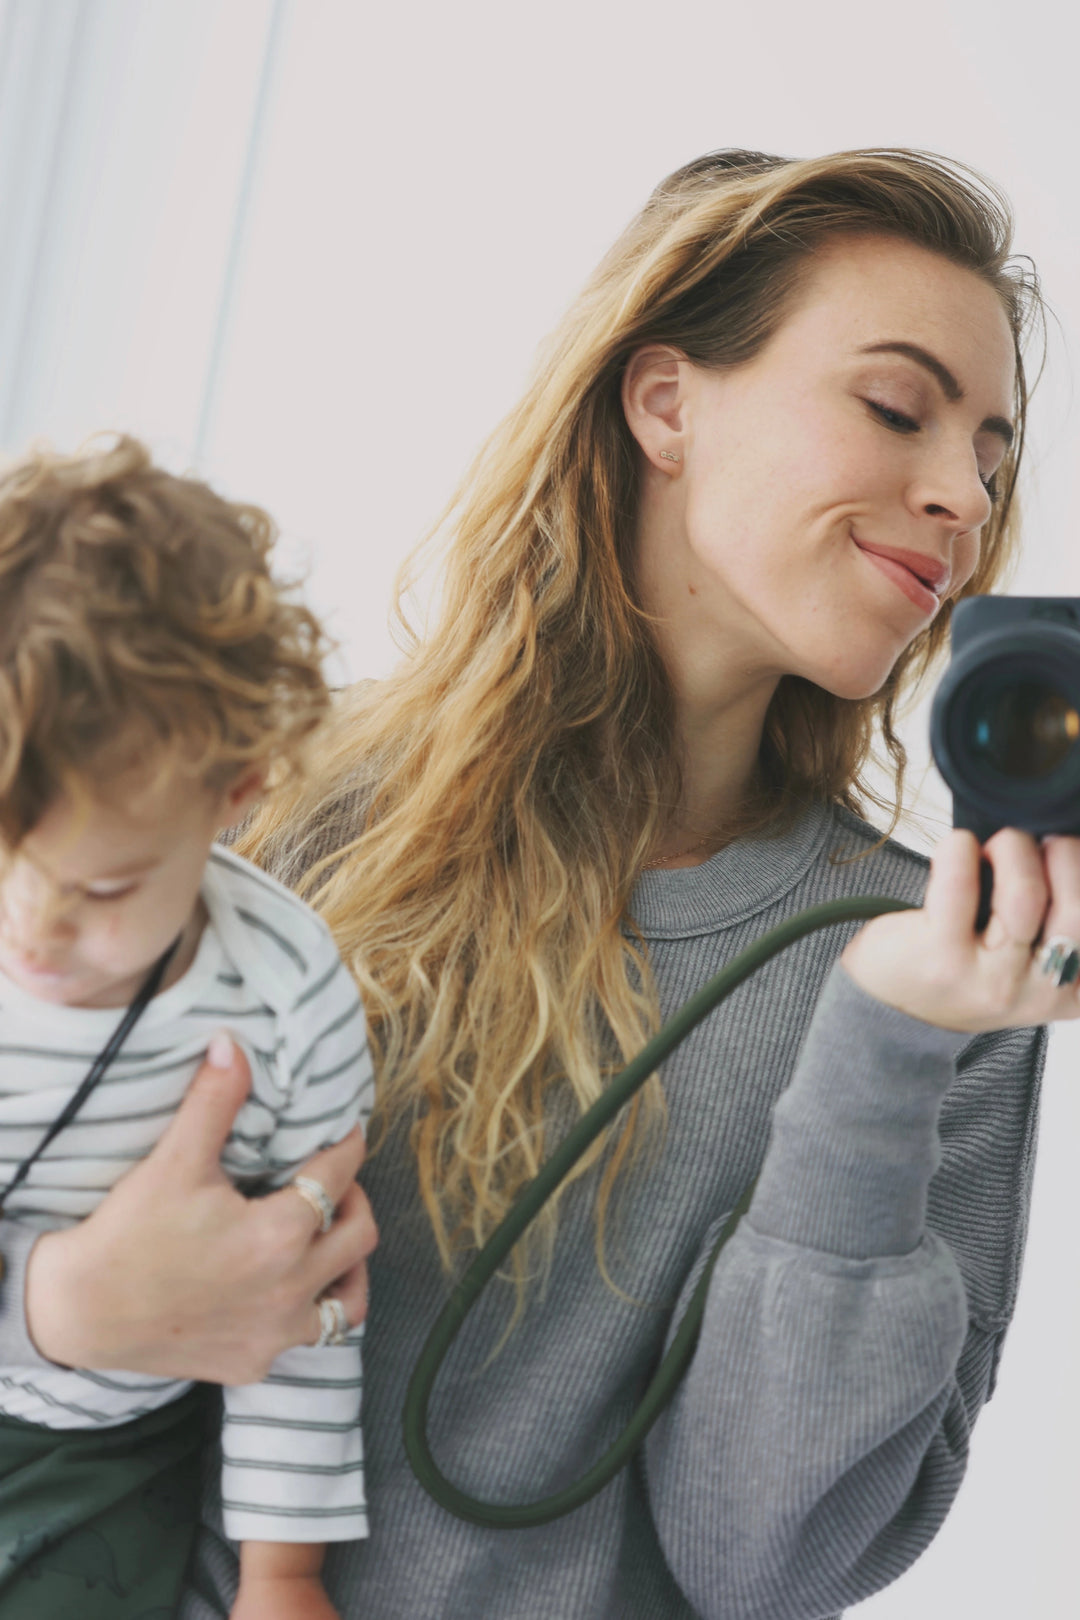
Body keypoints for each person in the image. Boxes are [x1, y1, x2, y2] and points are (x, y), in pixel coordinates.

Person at [1, 147, 1075, 1620]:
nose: (963, 494)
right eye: (897, 408)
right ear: (665, 404)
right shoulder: (283, 806)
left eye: (994, 457)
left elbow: (769, 1563)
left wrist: (887, 1047)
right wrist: (60, 1313)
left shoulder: (944, 968)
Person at [0, 438, 375, 1620]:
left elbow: (301, 1293)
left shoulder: (289, 997)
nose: (37, 928)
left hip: (104, 1458)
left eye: (104, 888)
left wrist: (282, 1573)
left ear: (236, 792)